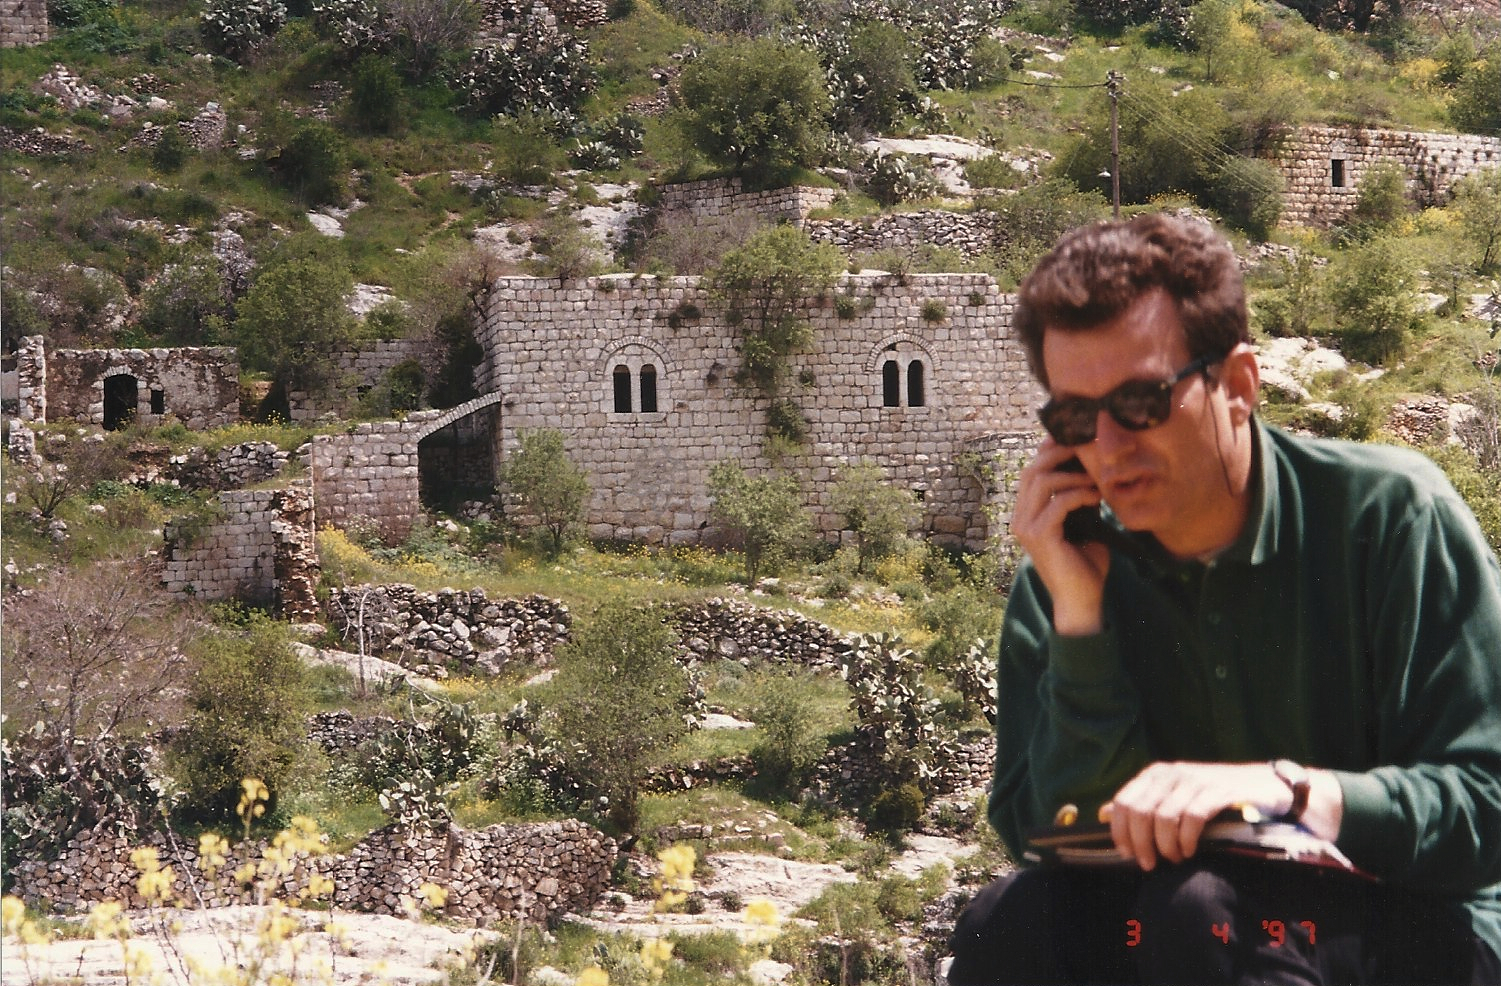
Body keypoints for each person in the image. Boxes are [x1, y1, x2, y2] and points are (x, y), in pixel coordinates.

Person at [946, 213, 1501, 985]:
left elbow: (1486, 806)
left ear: (1237, 385)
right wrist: (1079, 623)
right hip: (1183, 924)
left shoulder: (1388, 517)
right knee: (1005, 927)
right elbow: (1042, 836)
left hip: (1415, 925)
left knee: (1199, 918)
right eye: (1074, 417)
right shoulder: (1066, 566)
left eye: (1140, 401)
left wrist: (1289, 793)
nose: (1106, 448)